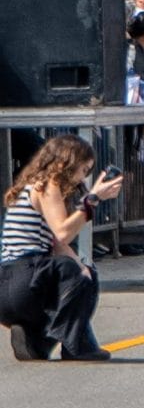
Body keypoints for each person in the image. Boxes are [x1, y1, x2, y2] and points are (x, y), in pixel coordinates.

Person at [2, 135, 120, 362]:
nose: (82, 177)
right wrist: (92, 201)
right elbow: (63, 232)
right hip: (25, 278)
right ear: (67, 163)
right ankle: (77, 346)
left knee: (82, 271)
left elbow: (58, 244)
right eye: (82, 170)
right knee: (75, 273)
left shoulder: (29, 186)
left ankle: (33, 340)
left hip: (8, 281)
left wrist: (82, 268)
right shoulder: (48, 184)